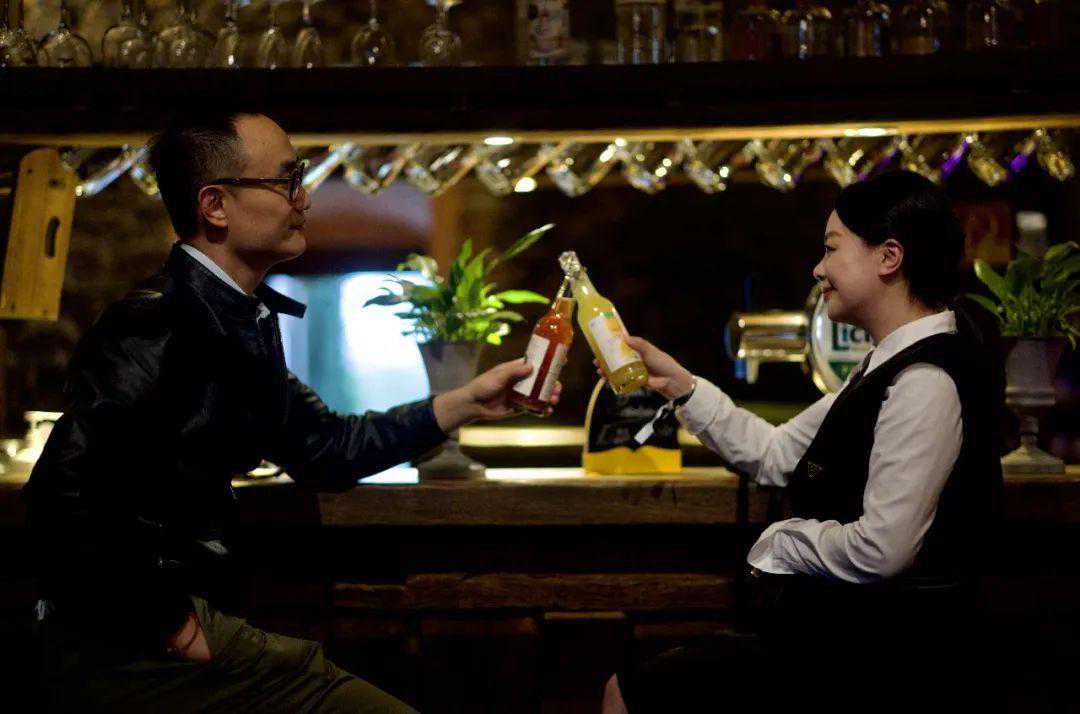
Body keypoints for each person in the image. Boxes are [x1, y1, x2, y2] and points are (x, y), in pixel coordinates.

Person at [23, 111, 556, 713]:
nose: (304, 198)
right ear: (215, 206)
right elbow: (62, 494)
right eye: (285, 180)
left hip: (190, 621)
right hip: (137, 645)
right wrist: (169, 624)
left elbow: (324, 447)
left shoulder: (234, 318)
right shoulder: (158, 323)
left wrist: (466, 402)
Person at [602, 171, 1005, 713]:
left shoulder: (924, 379)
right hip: (844, 641)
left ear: (889, 257)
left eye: (832, 248)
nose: (819, 268)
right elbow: (774, 453)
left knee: (632, 690)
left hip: (887, 659)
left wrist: (787, 540)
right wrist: (680, 385)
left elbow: (883, 551)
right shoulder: (886, 364)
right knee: (631, 684)